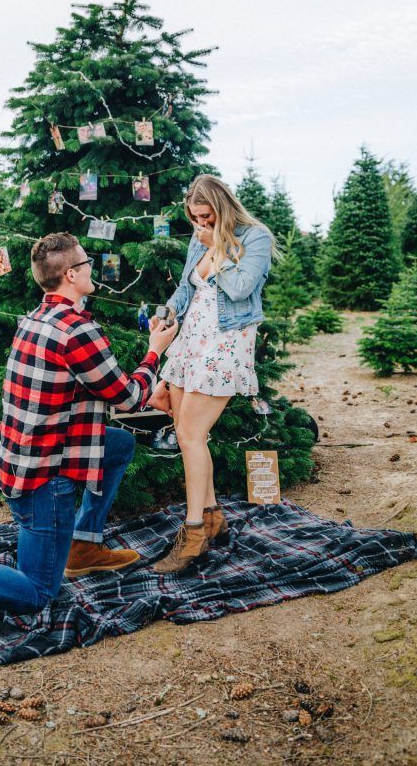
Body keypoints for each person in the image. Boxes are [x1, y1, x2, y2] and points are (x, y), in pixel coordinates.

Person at [0, 232, 177, 638]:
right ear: (73, 275)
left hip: (22, 457)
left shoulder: (36, 318)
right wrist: (154, 350)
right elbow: (127, 397)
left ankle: (84, 542)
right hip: (44, 479)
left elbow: (80, 393)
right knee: (38, 590)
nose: (93, 266)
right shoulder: (77, 332)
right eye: (87, 262)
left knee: (120, 445)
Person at [151, 174, 275, 574]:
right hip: (193, 340)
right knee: (189, 432)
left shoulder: (254, 237)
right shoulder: (199, 237)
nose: (200, 225)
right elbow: (187, 291)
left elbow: (240, 289)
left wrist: (217, 249)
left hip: (225, 343)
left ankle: (193, 534)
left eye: (206, 216)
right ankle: (212, 516)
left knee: (188, 435)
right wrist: (164, 315)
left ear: (221, 208)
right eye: (195, 219)